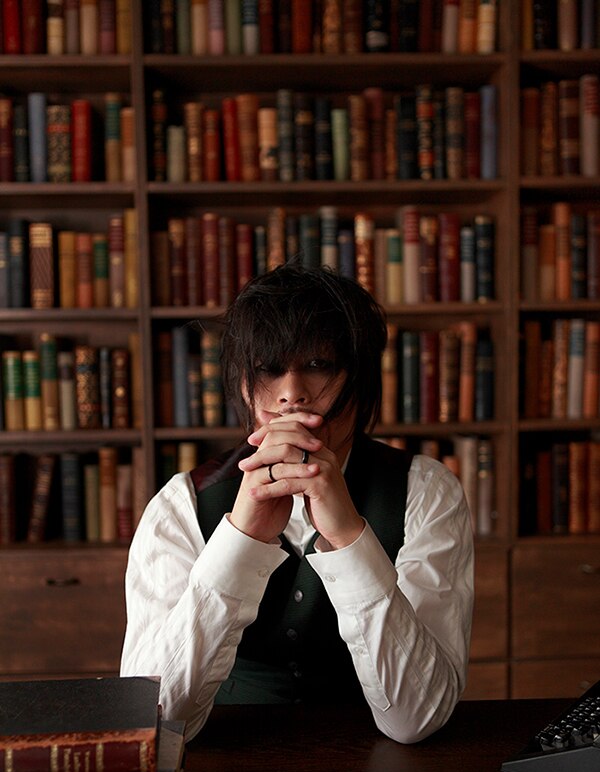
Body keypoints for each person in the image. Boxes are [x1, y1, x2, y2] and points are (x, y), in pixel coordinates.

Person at [120, 263, 473, 744]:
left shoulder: (426, 491)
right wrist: (241, 539)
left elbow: (416, 719)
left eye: (319, 365)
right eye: (269, 369)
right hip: (224, 766)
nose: (291, 395)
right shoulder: (181, 503)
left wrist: (348, 538)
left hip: (383, 767)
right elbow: (151, 719)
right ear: (243, 384)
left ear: (360, 378)